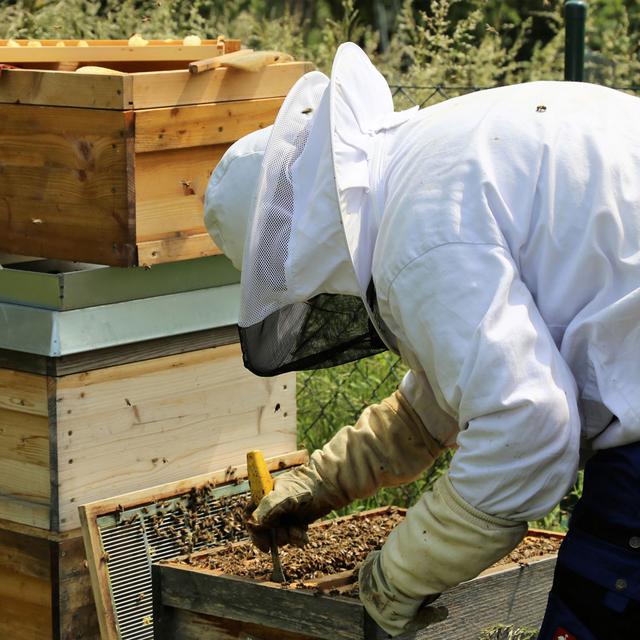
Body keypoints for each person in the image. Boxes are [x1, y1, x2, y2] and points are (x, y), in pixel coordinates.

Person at [204, 42, 640, 639]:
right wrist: (325, 482)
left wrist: (396, 575)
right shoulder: (429, 168)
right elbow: (459, 389)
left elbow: (526, 428)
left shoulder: (419, 237)